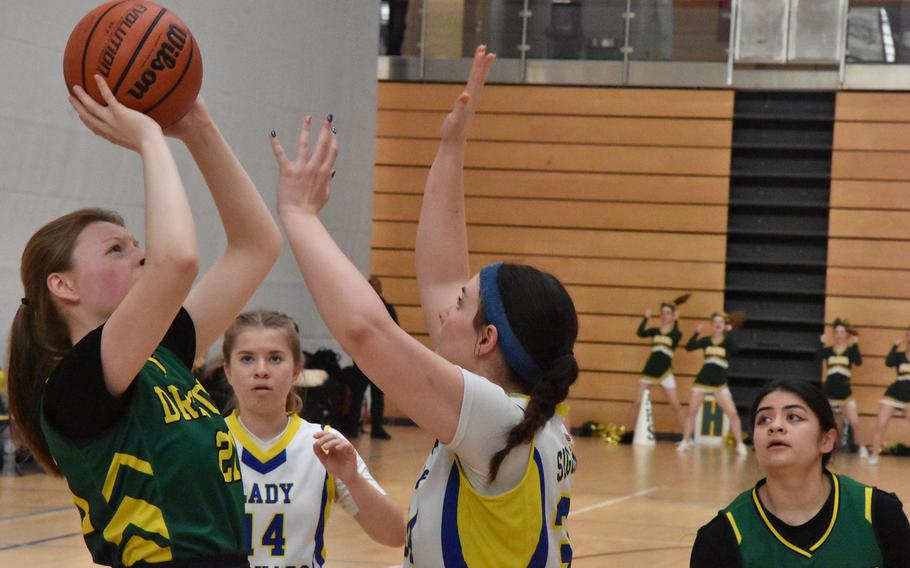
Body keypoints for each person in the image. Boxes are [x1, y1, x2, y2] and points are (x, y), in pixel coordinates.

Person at [271, 45, 578, 566]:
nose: (441, 311)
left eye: (461, 305)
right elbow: (441, 274)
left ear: (487, 340)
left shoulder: (497, 422)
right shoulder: (530, 413)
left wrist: (299, 215)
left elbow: (367, 331)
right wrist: (451, 145)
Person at [6, 75, 282, 567]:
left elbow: (256, 246)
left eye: (136, 244)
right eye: (117, 249)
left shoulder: (163, 351)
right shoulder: (76, 383)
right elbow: (176, 261)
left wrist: (198, 126)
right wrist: (149, 140)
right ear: (62, 285)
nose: (141, 255)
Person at [220, 310, 404, 566]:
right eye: (247, 359)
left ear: (296, 370)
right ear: (228, 370)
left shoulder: (324, 443)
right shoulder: (206, 441)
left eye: (275, 358)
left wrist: (353, 480)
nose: (261, 370)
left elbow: (395, 534)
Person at [691, 379, 910, 567]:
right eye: (763, 419)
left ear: (826, 440)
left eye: (793, 417)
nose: (775, 426)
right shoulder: (721, 536)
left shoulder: (880, 513)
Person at [678, 311, 747, 455]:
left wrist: (730, 333)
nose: (717, 324)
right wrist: (696, 333)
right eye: (715, 322)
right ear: (711, 325)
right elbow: (689, 347)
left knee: (732, 413)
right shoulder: (706, 340)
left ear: (724, 325)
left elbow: (736, 349)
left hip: (720, 383)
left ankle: (740, 444)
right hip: (702, 381)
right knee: (692, 411)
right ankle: (685, 441)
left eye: (720, 322)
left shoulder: (727, 341)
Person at [345, 275, 398, 440]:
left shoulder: (385, 309)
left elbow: (394, 333)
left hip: (375, 357)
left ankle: (371, 427)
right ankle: (358, 426)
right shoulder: (363, 308)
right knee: (361, 394)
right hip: (366, 356)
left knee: (370, 394)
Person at [629, 294, 689, 432]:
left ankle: (687, 438)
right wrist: (646, 318)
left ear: (673, 316)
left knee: (675, 405)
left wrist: (677, 320)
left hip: (665, 372)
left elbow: (676, 335)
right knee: (636, 403)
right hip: (649, 370)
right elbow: (640, 333)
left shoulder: (676, 334)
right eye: (663, 313)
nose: (664, 316)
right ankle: (628, 432)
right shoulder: (655, 331)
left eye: (668, 313)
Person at [816, 317, 868, 458]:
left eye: (842, 332)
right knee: (833, 426)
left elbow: (858, 362)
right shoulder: (828, 350)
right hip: (829, 392)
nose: (839, 335)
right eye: (837, 332)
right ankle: (830, 452)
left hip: (845, 393)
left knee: (855, 422)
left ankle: (862, 448)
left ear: (846, 334)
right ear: (834, 334)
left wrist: (856, 344)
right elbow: (817, 358)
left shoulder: (850, 351)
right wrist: (820, 343)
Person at [870, 327, 910, 465]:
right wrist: (894, 346)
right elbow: (888, 362)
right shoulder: (899, 355)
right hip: (894, 393)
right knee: (881, 424)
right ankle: (874, 454)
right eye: (908, 336)